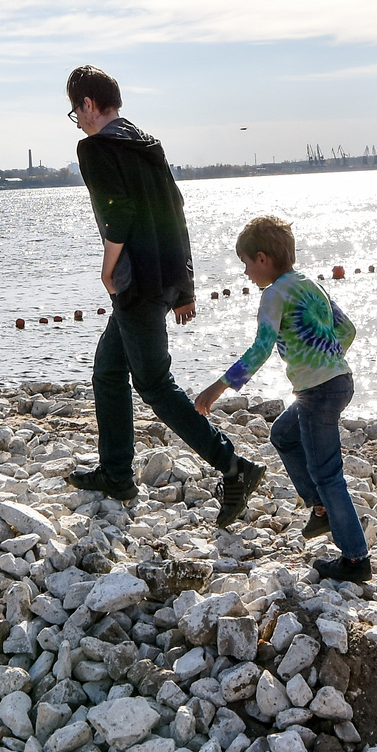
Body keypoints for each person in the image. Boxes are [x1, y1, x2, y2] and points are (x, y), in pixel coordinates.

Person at [66, 64, 267, 526]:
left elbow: (120, 214)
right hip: (163, 279)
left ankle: (234, 468)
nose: (77, 120)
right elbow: (173, 210)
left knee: (154, 383)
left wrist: (108, 265)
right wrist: (184, 287)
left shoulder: (95, 147)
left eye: (76, 110)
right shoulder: (147, 143)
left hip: (135, 284)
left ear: (89, 105)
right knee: (109, 370)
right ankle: (116, 472)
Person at [193, 215, 369, 583]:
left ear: (262, 258)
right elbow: (347, 329)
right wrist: (328, 358)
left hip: (318, 391)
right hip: (338, 381)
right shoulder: (310, 284)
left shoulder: (274, 295)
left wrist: (217, 388)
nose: (245, 273)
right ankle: (319, 509)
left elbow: (260, 349)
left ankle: (355, 559)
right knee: (283, 434)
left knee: (327, 473)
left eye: (245, 264)